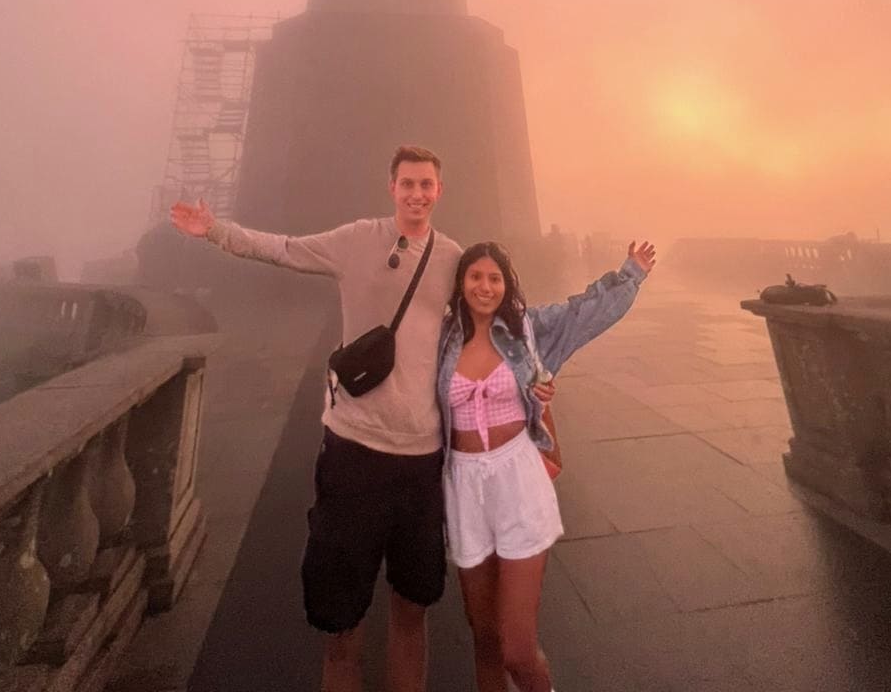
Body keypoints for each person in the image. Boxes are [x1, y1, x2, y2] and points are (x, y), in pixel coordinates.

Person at [170, 145, 465, 692]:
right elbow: (283, 249)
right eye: (408, 184)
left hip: (421, 457)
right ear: (391, 188)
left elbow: (495, 322)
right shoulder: (357, 240)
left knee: (413, 608)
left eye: (427, 184)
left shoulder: (452, 258)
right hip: (353, 448)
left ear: (440, 191)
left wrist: (534, 383)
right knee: (340, 621)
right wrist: (215, 230)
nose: (417, 194)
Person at [437, 238, 656, 692]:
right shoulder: (440, 341)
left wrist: (629, 273)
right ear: (460, 284)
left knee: (518, 648)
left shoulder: (526, 330)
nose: (485, 286)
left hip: (517, 480)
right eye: (475, 276)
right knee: (485, 637)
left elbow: (583, 314)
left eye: (494, 278)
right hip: (464, 487)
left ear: (506, 285)